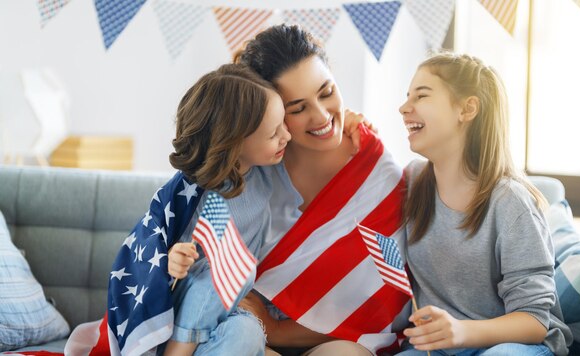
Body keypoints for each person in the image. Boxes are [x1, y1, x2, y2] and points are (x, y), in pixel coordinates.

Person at [235, 24, 411, 355]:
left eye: (327, 92)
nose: (321, 117)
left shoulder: (377, 171)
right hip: (250, 336)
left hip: (337, 343)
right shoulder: (253, 171)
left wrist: (276, 331)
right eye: (298, 108)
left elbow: (378, 311)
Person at [102, 63, 291, 356]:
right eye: (273, 134)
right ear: (235, 141)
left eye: (284, 125)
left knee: (247, 333)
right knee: (221, 273)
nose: (286, 137)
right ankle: (178, 349)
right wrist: (172, 259)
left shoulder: (267, 172)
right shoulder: (191, 192)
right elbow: (156, 244)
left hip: (225, 318)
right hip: (181, 312)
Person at [397, 53, 573, 355]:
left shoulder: (510, 202)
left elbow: (534, 320)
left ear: (467, 109)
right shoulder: (411, 181)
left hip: (515, 344)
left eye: (422, 95)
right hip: (442, 348)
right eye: (406, 96)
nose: (403, 108)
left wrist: (460, 331)